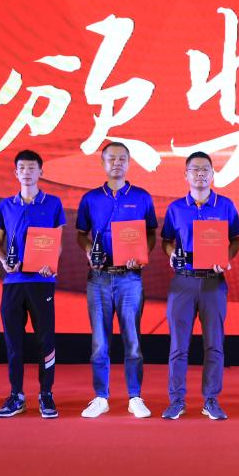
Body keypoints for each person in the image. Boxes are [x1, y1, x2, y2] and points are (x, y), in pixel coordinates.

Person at [75, 142, 157, 419]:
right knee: (100, 342)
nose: (117, 163)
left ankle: (135, 396)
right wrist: (89, 250)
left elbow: (151, 233)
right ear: (102, 163)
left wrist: (142, 255)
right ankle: (101, 396)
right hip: (99, 278)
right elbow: (81, 233)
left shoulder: (142, 197)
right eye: (111, 159)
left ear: (129, 163)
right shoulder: (90, 198)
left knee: (132, 341)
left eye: (122, 159)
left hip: (130, 278)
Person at [160, 151, 239, 420]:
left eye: (205, 169)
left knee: (214, 344)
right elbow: (166, 241)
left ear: (212, 174)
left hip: (213, 282)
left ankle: (211, 400)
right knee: (178, 346)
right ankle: (176, 400)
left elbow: (235, 239)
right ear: (186, 175)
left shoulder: (225, 205)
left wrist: (226, 258)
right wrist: (171, 254)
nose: (200, 174)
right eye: (194, 169)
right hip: (183, 282)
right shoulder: (175, 208)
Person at [0, 150, 66, 419]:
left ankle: (46, 394)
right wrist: (4, 261)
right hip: (13, 282)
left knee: (45, 339)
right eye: (22, 168)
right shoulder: (5, 206)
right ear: (16, 173)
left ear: (41, 172)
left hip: (41, 281)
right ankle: (17, 395)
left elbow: (57, 243)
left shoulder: (53, 203)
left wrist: (51, 263)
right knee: (13, 341)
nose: (26, 172)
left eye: (31, 167)